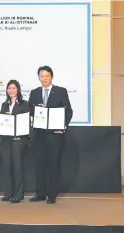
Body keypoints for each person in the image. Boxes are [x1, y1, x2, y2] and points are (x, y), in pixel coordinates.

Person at [28, 65, 73, 204]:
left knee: (53, 164)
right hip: (39, 135)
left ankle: (52, 194)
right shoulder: (34, 92)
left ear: (51, 77)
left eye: (47, 76)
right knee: (39, 165)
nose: (44, 79)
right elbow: (30, 110)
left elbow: (68, 111)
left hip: (54, 135)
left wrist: (63, 126)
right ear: (39, 78)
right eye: (42, 76)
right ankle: (40, 193)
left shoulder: (61, 91)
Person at [0, 80, 30, 203]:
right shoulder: (4, 105)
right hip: (6, 140)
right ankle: (8, 193)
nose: (11, 90)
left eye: (13, 88)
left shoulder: (24, 104)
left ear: (18, 90)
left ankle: (18, 194)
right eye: (9, 88)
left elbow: (26, 121)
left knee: (17, 167)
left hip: (19, 140)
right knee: (7, 166)